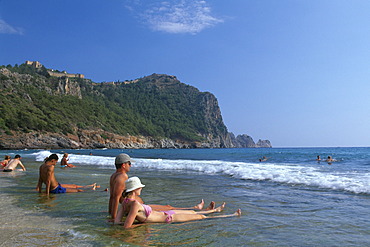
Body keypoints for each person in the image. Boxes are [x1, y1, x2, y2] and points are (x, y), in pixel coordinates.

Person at [109, 153, 213, 221]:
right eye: (129, 163)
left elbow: (112, 197)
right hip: (140, 209)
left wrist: (111, 213)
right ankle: (196, 208)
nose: (130, 165)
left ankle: (196, 208)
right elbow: (116, 198)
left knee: (168, 208)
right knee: (168, 208)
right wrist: (113, 217)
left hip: (135, 208)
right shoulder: (122, 177)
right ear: (123, 165)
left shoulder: (114, 175)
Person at [114, 177, 241, 228]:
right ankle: (232, 215)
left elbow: (117, 222)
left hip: (165, 213)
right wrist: (141, 225)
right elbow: (126, 226)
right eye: (140, 187)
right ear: (135, 189)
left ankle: (215, 210)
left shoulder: (125, 202)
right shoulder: (135, 204)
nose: (141, 189)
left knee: (192, 211)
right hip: (169, 218)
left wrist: (137, 221)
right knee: (200, 216)